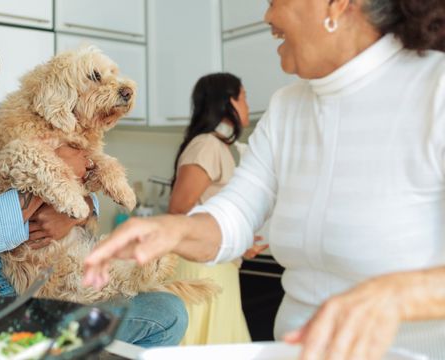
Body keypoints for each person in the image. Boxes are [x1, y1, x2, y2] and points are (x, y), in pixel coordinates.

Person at [83, 0, 445, 358]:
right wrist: (173, 230)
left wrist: (394, 294)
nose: (268, 16)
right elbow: (236, 214)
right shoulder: (288, 107)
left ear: (336, 5)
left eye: (276, 1)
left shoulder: (436, 89)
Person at [0, 11, 187, 347]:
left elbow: (81, 193)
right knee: (164, 314)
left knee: (166, 306)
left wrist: (69, 214)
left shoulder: (7, 115)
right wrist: (60, 176)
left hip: (56, 270)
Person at [168, 73, 265, 345]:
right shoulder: (207, 145)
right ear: (228, 102)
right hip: (202, 269)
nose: (247, 106)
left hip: (216, 266)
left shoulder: (219, 147)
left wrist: (238, 243)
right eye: (244, 98)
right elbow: (178, 209)